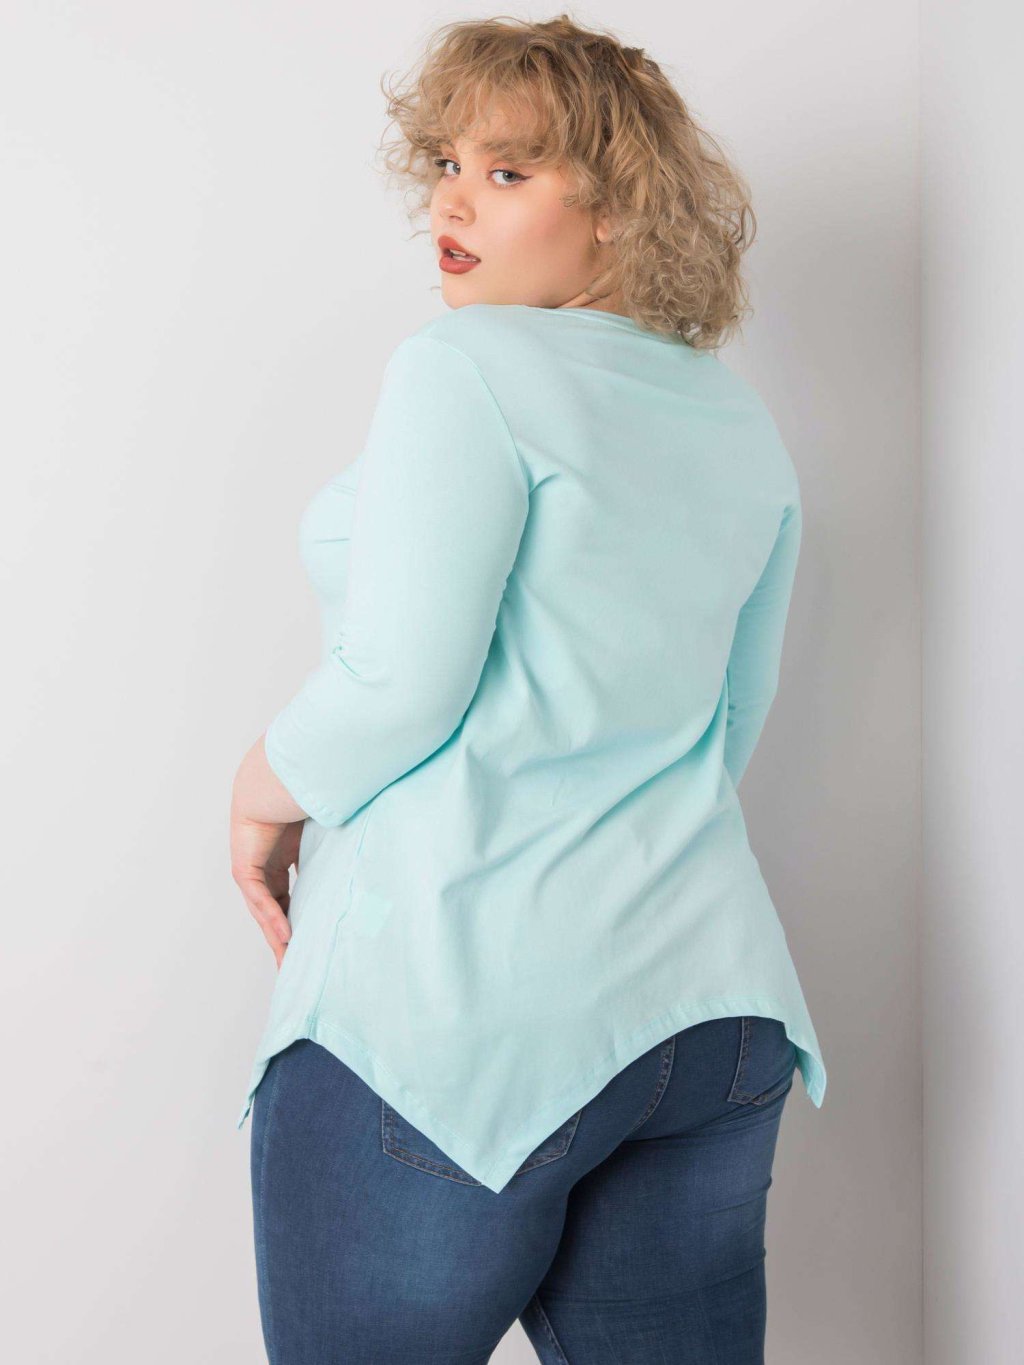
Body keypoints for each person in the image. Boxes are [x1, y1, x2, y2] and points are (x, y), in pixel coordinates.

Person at [229, 13, 826, 1363]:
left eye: (508, 171)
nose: (453, 201)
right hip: (705, 1013)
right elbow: (728, 723)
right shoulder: (734, 417)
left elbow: (401, 684)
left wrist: (260, 793)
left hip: (454, 1011)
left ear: (619, 210)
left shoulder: (463, 368)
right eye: (448, 164)